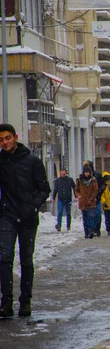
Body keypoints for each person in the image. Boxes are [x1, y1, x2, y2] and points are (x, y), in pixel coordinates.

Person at [0, 123, 51, 317]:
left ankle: (25, 301)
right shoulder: (1, 161)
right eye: (1, 140)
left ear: (15, 137)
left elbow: (44, 188)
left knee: (26, 259)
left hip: (28, 218)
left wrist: (33, 206)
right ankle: (6, 301)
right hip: (7, 216)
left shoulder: (31, 161)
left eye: (7, 138)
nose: (5, 143)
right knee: (4, 257)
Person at [75, 166, 99, 239]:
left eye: (88, 172)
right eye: (86, 172)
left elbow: (95, 190)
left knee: (91, 217)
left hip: (91, 202)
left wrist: (91, 198)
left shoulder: (93, 180)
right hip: (83, 202)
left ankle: (90, 231)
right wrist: (79, 196)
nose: (87, 174)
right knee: (85, 218)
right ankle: (86, 232)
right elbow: (76, 190)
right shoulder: (80, 180)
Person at [82, 160, 103, 237]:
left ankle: (95, 229)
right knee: (87, 216)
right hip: (85, 200)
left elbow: (101, 185)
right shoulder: (81, 178)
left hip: (95, 199)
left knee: (96, 214)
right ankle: (88, 231)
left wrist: (99, 193)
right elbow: (78, 188)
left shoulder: (96, 176)